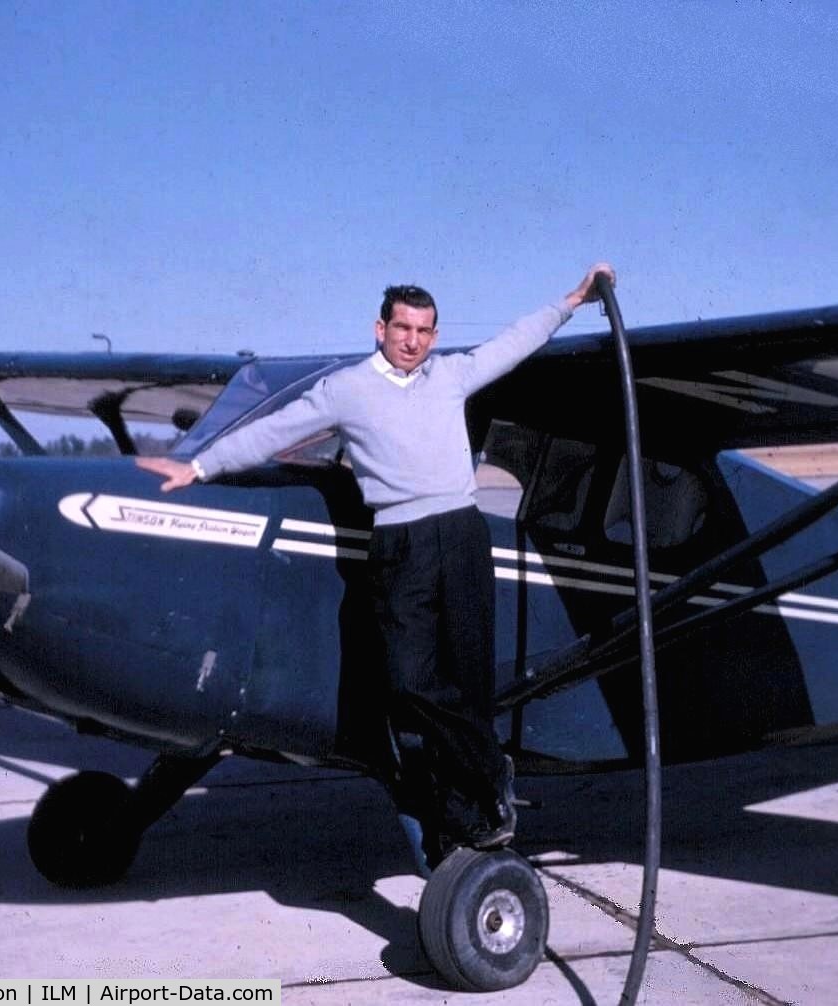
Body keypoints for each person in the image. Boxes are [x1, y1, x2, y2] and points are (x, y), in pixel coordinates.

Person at [137, 263, 615, 854]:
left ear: (434, 336)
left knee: (469, 679)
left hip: (462, 537)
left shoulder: (452, 375)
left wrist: (570, 300)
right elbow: (275, 429)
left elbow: (516, 341)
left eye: (424, 330)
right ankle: (492, 767)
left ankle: (473, 809)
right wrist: (200, 466)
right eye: (402, 327)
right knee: (409, 680)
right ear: (380, 328)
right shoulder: (347, 389)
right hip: (399, 541)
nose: (412, 340)